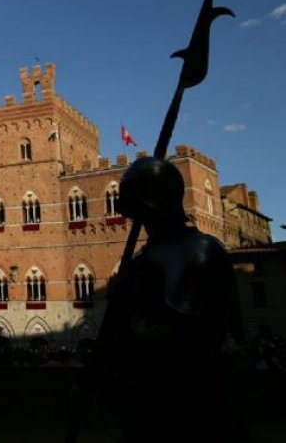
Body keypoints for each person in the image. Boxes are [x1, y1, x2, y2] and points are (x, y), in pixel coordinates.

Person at [105, 157, 237, 441]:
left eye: (140, 211)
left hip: (187, 400)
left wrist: (130, 299)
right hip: (148, 402)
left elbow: (186, 332)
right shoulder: (146, 258)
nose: (138, 221)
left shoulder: (198, 252)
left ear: (155, 205)